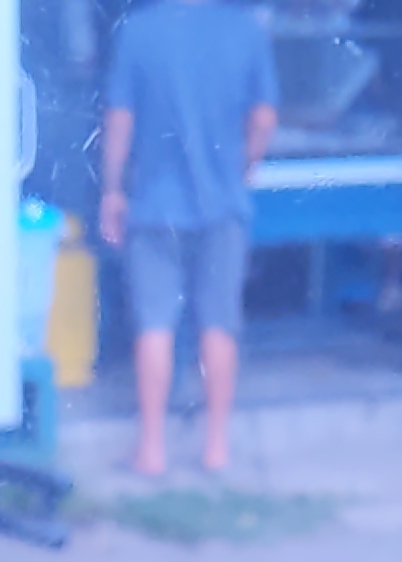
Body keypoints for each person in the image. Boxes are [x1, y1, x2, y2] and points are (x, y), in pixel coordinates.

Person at [97, 0, 278, 478]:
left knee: (154, 324)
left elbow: (120, 118)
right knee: (219, 323)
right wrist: (244, 168)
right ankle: (216, 449)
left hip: (155, 206)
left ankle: (151, 451)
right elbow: (263, 118)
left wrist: (112, 190)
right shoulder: (246, 31)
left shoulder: (138, 32)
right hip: (223, 205)